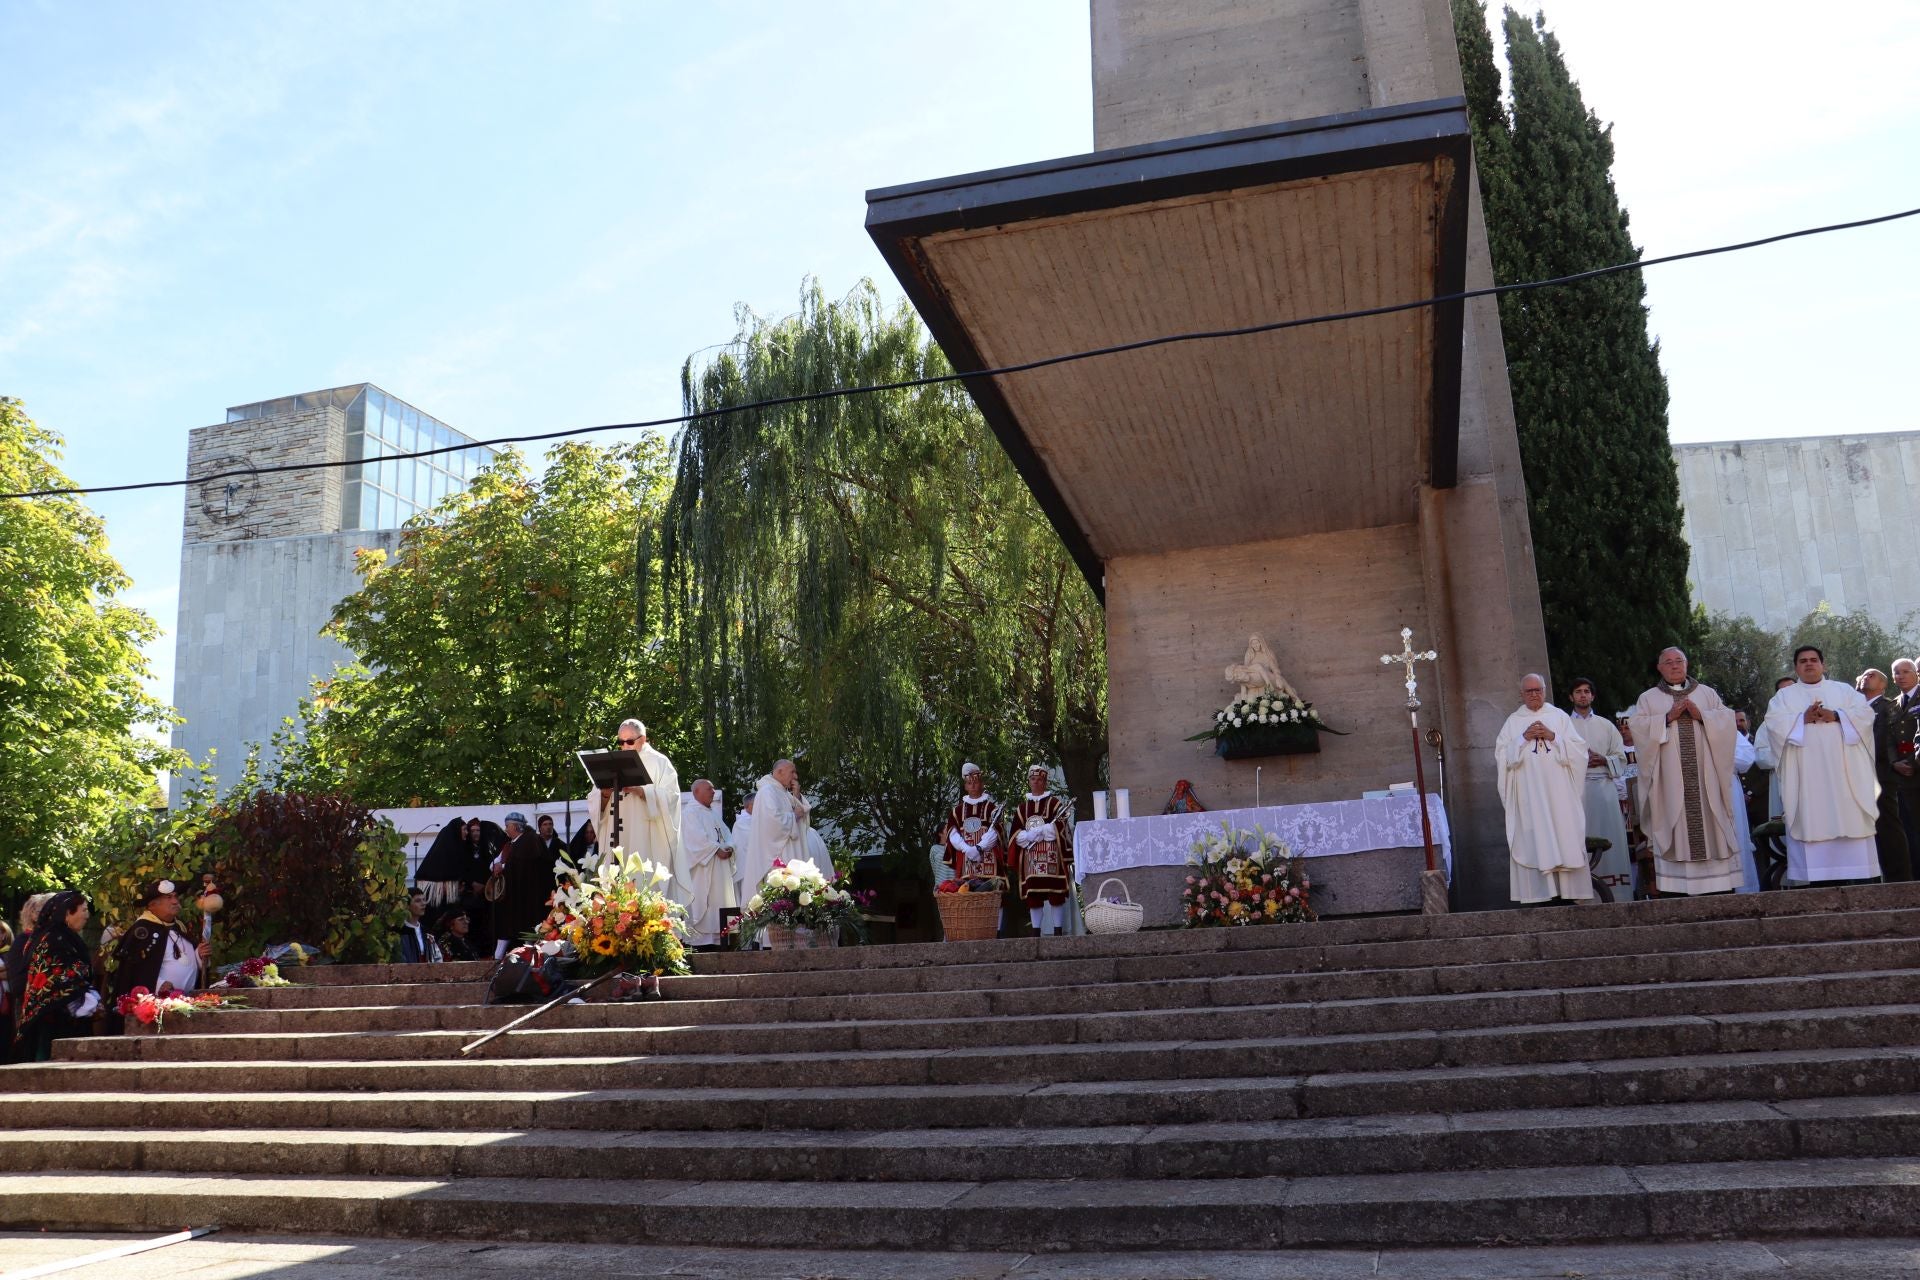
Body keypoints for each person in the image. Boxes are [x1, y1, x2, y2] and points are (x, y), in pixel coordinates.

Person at [1625, 648, 1744, 895]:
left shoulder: (1707, 694)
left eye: (1679, 661)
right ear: (1659, 668)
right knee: (1674, 821)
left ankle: (1718, 885)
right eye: (1668, 662)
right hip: (1670, 780)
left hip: (1706, 778)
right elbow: (1638, 730)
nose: (1674, 665)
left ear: (1687, 664)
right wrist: (1667, 718)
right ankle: (1676, 886)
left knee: (1712, 820)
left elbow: (1726, 722)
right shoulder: (1648, 698)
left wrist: (1703, 716)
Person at [1762, 645, 1880, 884]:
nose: (1809, 664)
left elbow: (1866, 716)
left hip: (1845, 777)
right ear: (1796, 667)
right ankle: (1819, 880)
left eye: (1814, 660)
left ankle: (1861, 881)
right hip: (1807, 777)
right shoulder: (1783, 697)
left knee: (1850, 818)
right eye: (1803, 661)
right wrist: (1801, 719)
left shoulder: (1844, 691)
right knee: (1811, 817)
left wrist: (1836, 716)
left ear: (1823, 665)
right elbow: (1774, 725)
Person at [1496, 675, 1593, 904]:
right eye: (1528, 691)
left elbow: (1580, 752)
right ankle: (1540, 896)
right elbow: (1502, 756)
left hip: (1559, 796)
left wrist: (1553, 736)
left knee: (1562, 834)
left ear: (1545, 691)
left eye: (1537, 690)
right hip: (1529, 796)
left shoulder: (1558, 717)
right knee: (1534, 838)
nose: (1533, 694)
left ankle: (1567, 894)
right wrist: (1522, 738)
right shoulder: (1513, 722)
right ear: (1521, 694)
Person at [589, 719, 689, 901]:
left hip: (645, 836)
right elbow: (594, 802)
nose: (624, 746)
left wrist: (643, 791)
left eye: (629, 741)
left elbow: (672, 797)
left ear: (643, 739)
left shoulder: (659, 762)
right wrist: (603, 795)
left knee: (642, 883)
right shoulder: (610, 763)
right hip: (615, 834)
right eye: (620, 742)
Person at [13, 890, 100, 1062]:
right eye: (83, 910)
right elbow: (59, 976)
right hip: (53, 1018)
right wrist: (89, 998)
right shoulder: (54, 939)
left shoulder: (60, 936)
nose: (87, 915)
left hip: (60, 1014)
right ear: (68, 913)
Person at [1565, 678, 1630, 897]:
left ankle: (1617, 894)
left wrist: (1603, 760)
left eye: (1586, 691)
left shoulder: (1606, 725)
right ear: (1571, 697)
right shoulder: (1563, 725)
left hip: (1605, 790)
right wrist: (1581, 761)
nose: (1583, 695)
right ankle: (1584, 894)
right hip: (1576, 792)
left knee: (1610, 837)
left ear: (1593, 696)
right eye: (1578, 691)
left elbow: (1621, 759)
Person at [110, 880, 210, 1013]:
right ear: (152, 905)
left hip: (186, 1006)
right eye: (169, 898)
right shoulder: (142, 929)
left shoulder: (179, 927)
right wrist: (158, 984)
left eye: (175, 897)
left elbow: (185, 959)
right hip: (156, 1008)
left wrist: (199, 955)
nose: (175, 901)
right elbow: (134, 970)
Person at [738, 759, 814, 906]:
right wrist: (794, 816)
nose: (795, 776)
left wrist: (796, 794)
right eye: (792, 772)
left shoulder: (782, 792)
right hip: (780, 852)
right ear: (780, 772)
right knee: (782, 899)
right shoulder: (768, 792)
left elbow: (802, 814)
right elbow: (773, 823)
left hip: (791, 850)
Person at [1860, 668, 1912, 881]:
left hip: (1881, 774)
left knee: (1888, 827)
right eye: (1863, 675)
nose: (1865, 677)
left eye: (1872, 675)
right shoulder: (1854, 708)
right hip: (1860, 776)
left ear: (1883, 685)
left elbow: (1886, 740)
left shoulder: (1887, 707)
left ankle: (1899, 880)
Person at [1011, 764, 1075, 934]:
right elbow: (1015, 835)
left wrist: (1043, 831)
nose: (1036, 782)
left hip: (1052, 857)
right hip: (1030, 860)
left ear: (1045, 782)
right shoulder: (1022, 808)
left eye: (1040, 779)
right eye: (1033, 779)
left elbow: (1062, 829)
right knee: (1033, 895)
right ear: (1029, 781)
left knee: (1055, 893)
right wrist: (1029, 836)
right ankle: (1035, 932)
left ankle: (1058, 930)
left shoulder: (1055, 803)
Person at [679, 779, 739, 947]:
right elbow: (694, 839)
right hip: (703, 868)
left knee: (721, 899)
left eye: (713, 789)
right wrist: (715, 849)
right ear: (696, 792)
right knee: (705, 901)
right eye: (709, 789)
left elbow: (727, 834)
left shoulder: (712, 813)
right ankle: (701, 942)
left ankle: (723, 939)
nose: (713, 792)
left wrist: (730, 847)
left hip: (721, 868)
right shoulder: (690, 813)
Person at [489, 812, 554, 958]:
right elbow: (498, 861)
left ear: (515, 826)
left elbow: (525, 864)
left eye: (507, 826)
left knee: (528, 927)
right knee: (506, 927)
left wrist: (504, 866)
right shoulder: (510, 844)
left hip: (528, 895)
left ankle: (530, 957)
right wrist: (496, 866)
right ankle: (497, 957)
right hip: (513, 895)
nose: (505, 829)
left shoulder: (531, 840)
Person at [941, 763, 1007, 882]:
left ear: (982, 784)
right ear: (965, 786)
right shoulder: (957, 811)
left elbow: (996, 833)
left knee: (991, 894)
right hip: (966, 862)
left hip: (989, 860)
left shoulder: (992, 808)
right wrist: (967, 849)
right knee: (967, 894)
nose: (973, 786)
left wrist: (978, 848)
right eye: (969, 783)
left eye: (976, 782)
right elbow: (953, 834)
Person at [1750, 676, 1798, 821]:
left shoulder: (1817, 716)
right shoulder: (1768, 725)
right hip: (1782, 777)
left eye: (1792, 690)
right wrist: (1791, 754)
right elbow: (1761, 757)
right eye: (1783, 691)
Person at [1890, 658, 1920, 875]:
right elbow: (1888, 739)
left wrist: (1911, 763)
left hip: (1917, 767)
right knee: (1912, 830)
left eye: (1906, 671)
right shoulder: (1893, 704)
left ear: (1916, 673)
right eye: (1897, 673)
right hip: (1904, 777)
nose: (1901, 676)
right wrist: (1894, 763)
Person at [1731, 711, 1762, 894]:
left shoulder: (1724, 727)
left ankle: (1742, 889)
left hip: (1727, 789)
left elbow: (1746, 759)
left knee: (1736, 838)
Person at [414, 818, 476, 908]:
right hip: (437, 902)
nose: (467, 832)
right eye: (464, 829)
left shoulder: (461, 850)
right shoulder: (443, 852)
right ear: (456, 831)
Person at [395, 888, 444, 964]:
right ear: (406, 905)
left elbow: (437, 958)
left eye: (424, 900)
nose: (423, 903)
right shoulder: (398, 932)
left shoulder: (426, 932)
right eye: (418, 901)